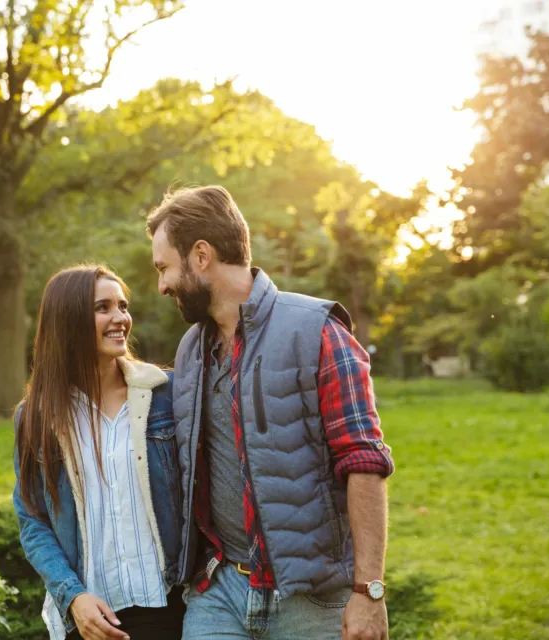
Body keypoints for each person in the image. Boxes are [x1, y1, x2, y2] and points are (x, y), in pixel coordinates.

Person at [146, 186, 395, 640]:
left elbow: (364, 461)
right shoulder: (189, 350)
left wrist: (369, 590)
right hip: (218, 592)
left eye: (164, 267)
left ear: (201, 255)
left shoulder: (318, 331)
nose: (162, 285)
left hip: (310, 601)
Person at [13, 265, 184, 640]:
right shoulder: (35, 417)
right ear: (68, 320)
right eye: (102, 307)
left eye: (122, 306)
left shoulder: (165, 395)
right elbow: (33, 520)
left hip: (170, 607)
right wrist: (72, 597)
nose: (120, 317)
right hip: (89, 620)